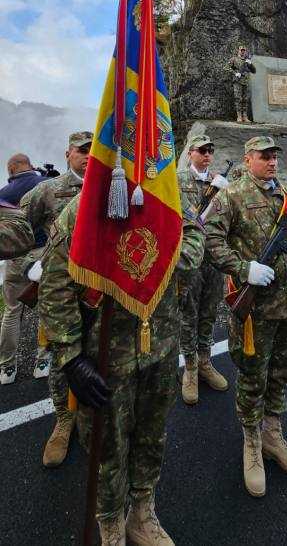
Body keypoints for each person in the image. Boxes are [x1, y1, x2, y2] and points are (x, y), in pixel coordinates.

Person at [39, 188, 205, 546]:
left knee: (151, 436)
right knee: (106, 445)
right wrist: (69, 356)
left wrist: (153, 249)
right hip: (105, 355)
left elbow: (195, 242)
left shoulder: (167, 195)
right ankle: (111, 521)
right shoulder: (85, 203)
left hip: (159, 346)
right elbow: (54, 283)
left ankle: (142, 512)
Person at [204, 135, 287, 497]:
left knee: (281, 374)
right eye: (264, 157)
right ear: (247, 158)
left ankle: (272, 434)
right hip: (255, 309)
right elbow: (209, 237)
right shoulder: (231, 195)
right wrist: (241, 268)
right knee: (253, 375)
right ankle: (251, 442)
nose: (272, 162)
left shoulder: (283, 194)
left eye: (274, 157)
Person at [15, 131, 93, 467]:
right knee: (62, 356)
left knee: (95, 355)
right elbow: (18, 232)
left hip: (97, 293)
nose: (89, 157)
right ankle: (64, 420)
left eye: (95, 151)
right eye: (82, 151)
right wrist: (33, 263)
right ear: (67, 154)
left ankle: (91, 415)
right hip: (60, 292)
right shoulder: (46, 191)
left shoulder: (108, 190)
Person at [177, 134, 229, 405]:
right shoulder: (178, 180)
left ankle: (205, 361)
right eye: (201, 150)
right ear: (190, 154)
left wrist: (224, 194)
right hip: (188, 258)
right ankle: (190, 368)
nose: (207, 155)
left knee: (209, 311)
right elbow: (178, 215)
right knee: (189, 312)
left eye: (210, 150)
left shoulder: (220, 182)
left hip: (214, 257)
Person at [0, 155, 47, 386]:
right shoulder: (44, 184)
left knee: (11, 312)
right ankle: (42, 362)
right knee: (44, 310)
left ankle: (7, 368)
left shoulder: (3, 193)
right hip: (41, 256)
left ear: (11, 170)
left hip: (14, 259)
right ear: (30, 166)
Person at [229, 46, 256, 123]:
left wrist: (250, 64)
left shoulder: (247, 60)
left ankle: (245, 116)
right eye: (241, 50)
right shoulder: (234, 59)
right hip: (238, 82)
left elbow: (254, 71)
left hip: (246, 82)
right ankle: (239, 116)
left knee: (245, 99)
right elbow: (227, 68)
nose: (242, 52)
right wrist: (235, 73)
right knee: (238, 99)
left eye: (244, 51)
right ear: (238, 51)